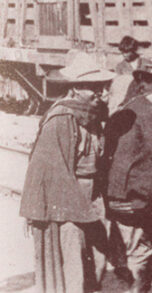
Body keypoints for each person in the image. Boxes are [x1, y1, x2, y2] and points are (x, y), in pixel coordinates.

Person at [20, 52, 113, 293]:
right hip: (67, 206)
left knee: (97, 261)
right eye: (94, 87)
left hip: (91, 201)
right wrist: (76, 207)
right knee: (73, 268)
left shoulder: (92, 116)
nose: (100, 93)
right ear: (75, 89)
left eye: (101, 86)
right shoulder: (62, 118)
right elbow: (50, 172)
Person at [103, 63, 152, 293]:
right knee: (141, 255)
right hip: (134, 198)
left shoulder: (129, 105)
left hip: (114, 196)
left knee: (122, 255)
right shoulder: (150, 113)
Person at [109, 35, 148, 112]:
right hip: (128, 98)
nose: (124, 55)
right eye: (122, 52)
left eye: (127, 52)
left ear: (133, 50)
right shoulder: (120, 67)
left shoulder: (146, 63)